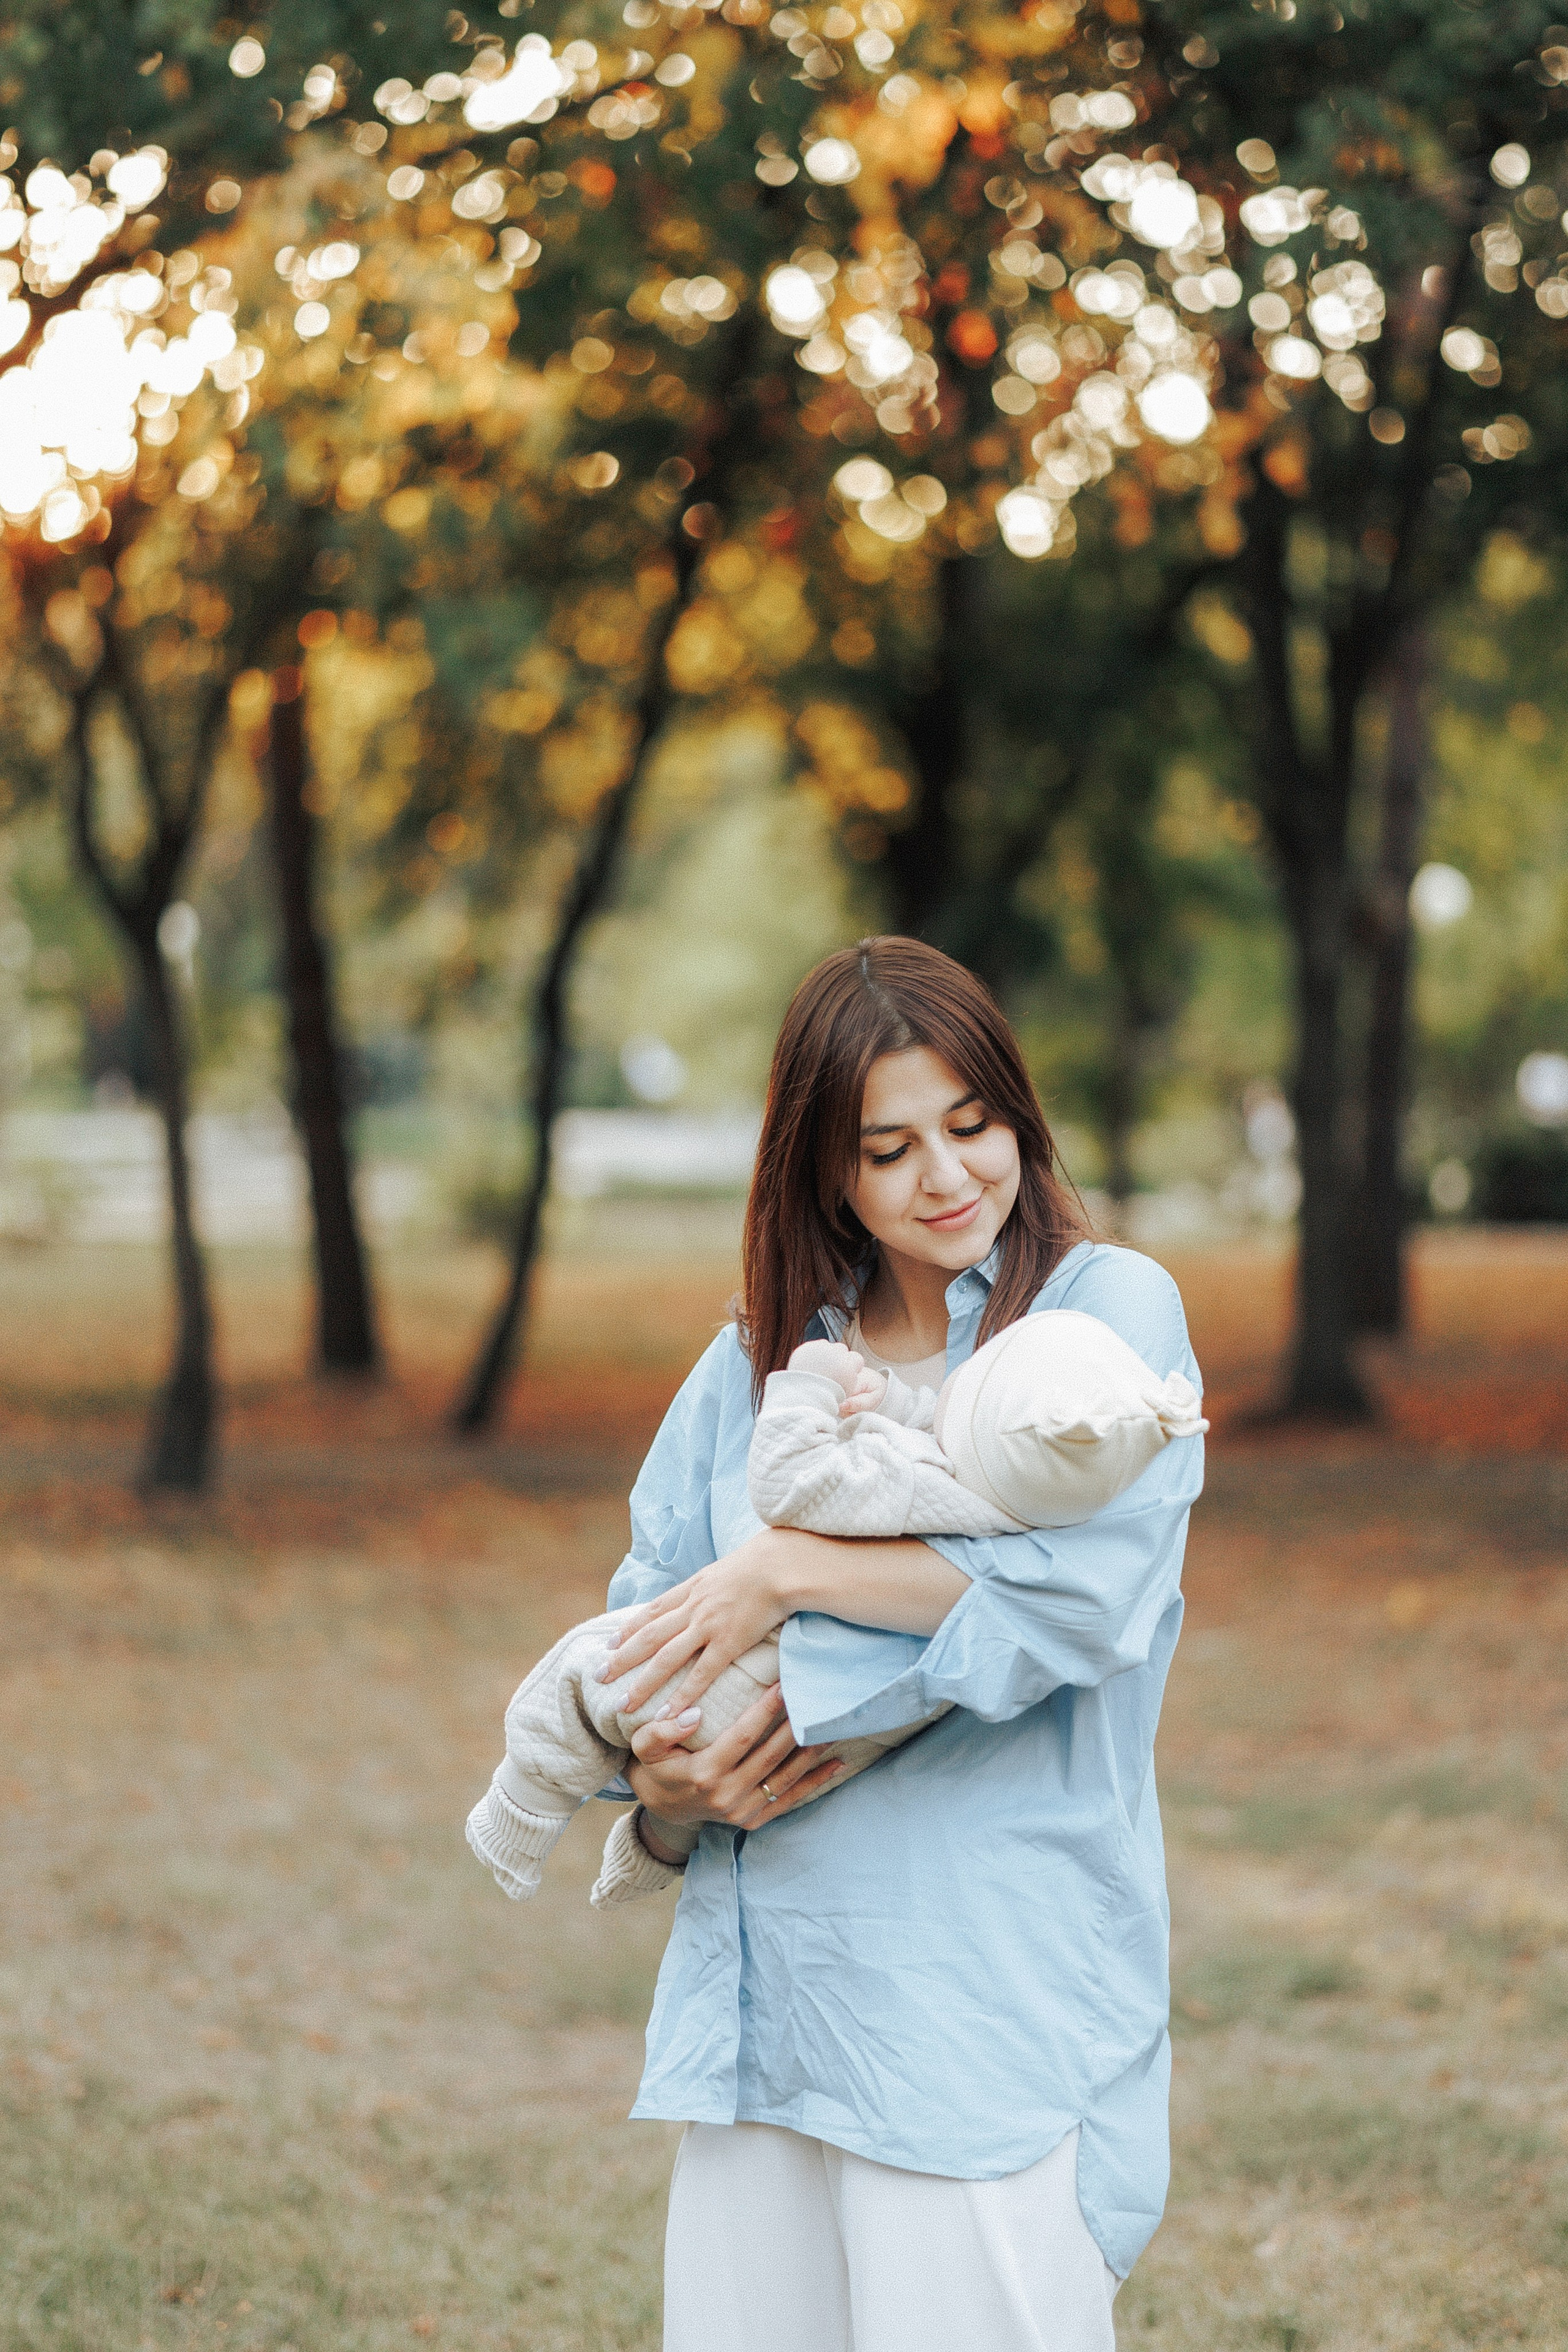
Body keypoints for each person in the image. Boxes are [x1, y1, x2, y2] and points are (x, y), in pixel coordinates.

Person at [542, 938, 1203, 2351]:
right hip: (774, 2007)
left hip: (978, 2001)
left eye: (970, 1125)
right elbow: (648, 1623)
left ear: (1016, 1114)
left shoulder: (1100, 1320)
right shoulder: (753, 1363)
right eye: (889, 1146)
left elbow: (1081, 1599)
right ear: (823, 1170)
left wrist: (784, 1570)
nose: (946, 1175)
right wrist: (658, 1795)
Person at [467, 1314, 1204, 1906]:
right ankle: (657, 1847)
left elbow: (791, 1483)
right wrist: (892, 1401)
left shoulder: (911, 1477)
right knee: (690, 1755)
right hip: (843, 1730)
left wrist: (808, 1389)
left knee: (588, 1669)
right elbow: (952, 1422)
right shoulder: (1014, 1494)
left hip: (761, 1676)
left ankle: (521, 1812)